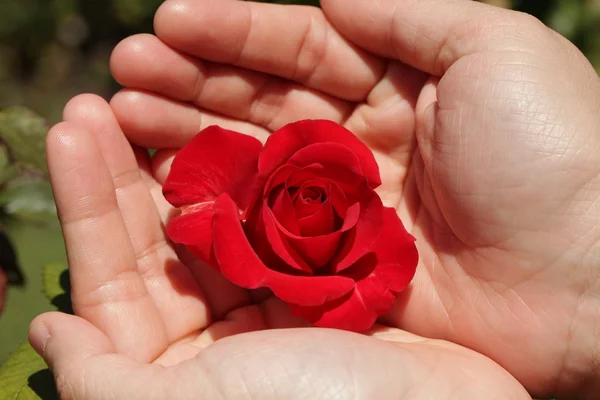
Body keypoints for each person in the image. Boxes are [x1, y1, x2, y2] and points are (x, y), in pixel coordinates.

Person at [28, 0, 600, 398]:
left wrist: (583, 265)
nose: (309, 205)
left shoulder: (366, 263)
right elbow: (197, 213)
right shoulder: (234, 205)